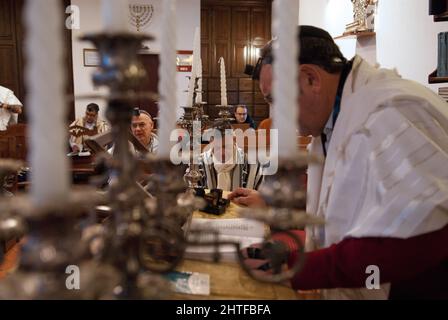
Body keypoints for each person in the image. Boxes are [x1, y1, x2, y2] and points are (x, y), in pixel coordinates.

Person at [229, 25, 448, 299]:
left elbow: (416, 240)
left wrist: (296, 266)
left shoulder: (388, 113)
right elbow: (346, 204)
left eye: (276, 100)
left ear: (310, 78)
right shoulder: (341, 115)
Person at [192, 122, 263, 192]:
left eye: (227, 147)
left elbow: (263, 197)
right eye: (217, 147)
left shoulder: (253, 165)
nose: (222, 153)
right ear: (210, 143)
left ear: (234, 141)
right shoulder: (198, 165)